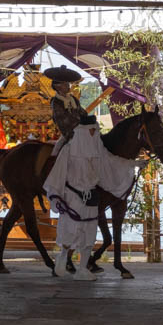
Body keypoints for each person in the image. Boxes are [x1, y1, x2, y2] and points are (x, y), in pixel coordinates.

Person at [44, 115, 104, 281]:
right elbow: (58, 174)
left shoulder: (98, 152)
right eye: (91, 130)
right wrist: (56, 195)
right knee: (71, 229)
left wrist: (132, 165)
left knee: (89, 232)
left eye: (95, 130)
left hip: (90, 195)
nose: (93, 133)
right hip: (73, 196)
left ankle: (83, 268)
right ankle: (63, 256)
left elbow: (111, 163)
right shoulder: (69, 150)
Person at [44, 65, 87, 153]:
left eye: (68, 83)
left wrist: (89, 123)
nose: (68, 86)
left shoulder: (73, 99)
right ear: (57, 86)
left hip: (81, 132)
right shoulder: (56, 102)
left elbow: (82, 113)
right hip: (68, 135)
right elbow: (62, 122)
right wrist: (74, 135)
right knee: (59, 155)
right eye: (65, 84)